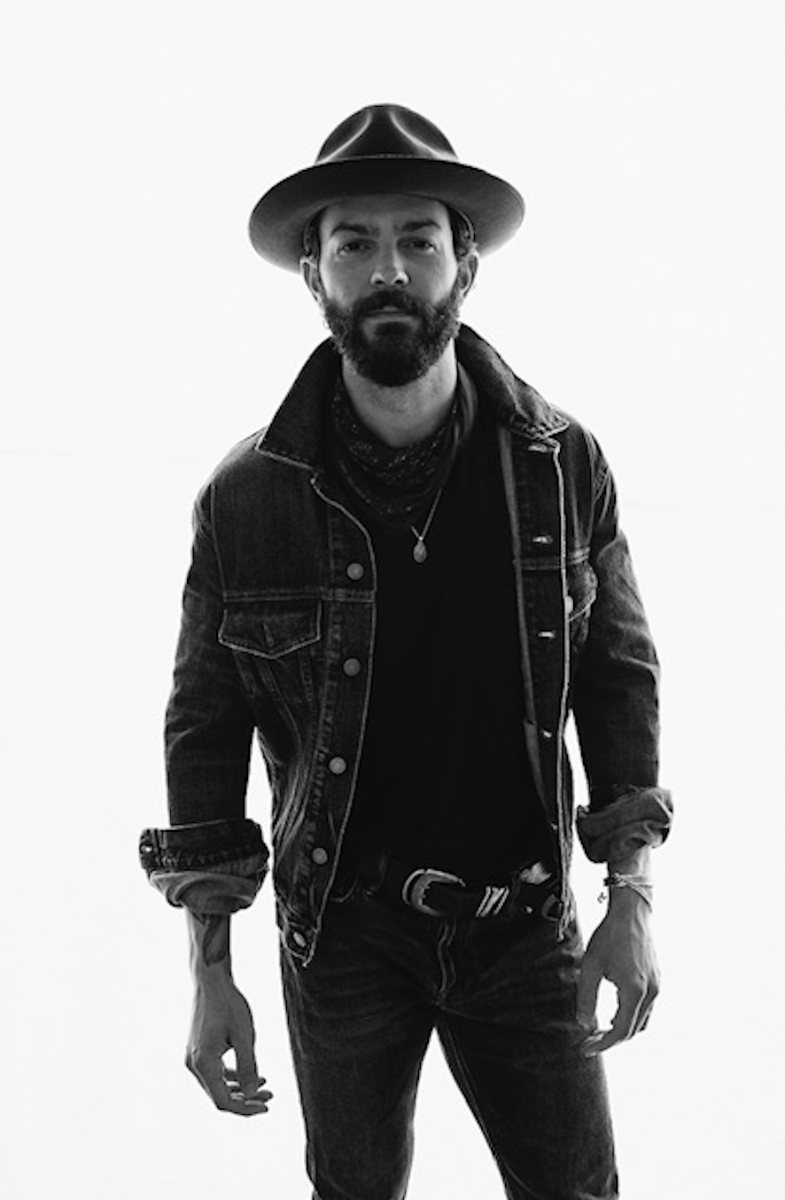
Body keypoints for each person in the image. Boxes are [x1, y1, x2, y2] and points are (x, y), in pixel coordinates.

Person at [140, 103, 673, 1200]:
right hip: (343, 937)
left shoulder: (560, 465)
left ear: (462, 265)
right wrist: (209, 974)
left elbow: (618, 680)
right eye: (355, 243)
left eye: (416, 241)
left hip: (523, 925)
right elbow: (204, 729)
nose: (388, 270)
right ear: (313, 273)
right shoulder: (248, 499)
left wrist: (630, 896)